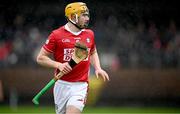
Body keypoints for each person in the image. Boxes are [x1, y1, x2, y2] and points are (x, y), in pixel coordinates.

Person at [36, 2, 109, 114]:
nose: (87, 18)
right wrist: (58, 65)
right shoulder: (56, 35)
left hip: (80, 86)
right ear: (73, 17)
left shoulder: (89, 34)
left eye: (87, 15)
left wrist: (98, 68)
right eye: (83, 15)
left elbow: (93, 52)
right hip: (61, 85)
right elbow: (40, 58)